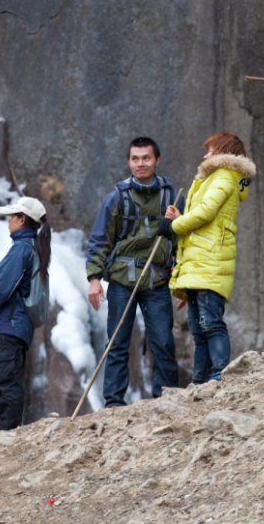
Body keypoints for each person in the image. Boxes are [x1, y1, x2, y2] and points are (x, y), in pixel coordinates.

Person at [86, 136, 181, 407]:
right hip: (121, 279)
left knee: (163, 341)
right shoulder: (117, 198)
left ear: (157, 160)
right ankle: (114, 402)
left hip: (158, 278)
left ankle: (167, 398)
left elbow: (184, 241)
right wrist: (94, 279)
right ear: (129, 161)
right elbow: (100, 239)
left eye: (146, 158)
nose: (140, 164)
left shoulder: (172, 197)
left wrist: (177, 223)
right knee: (117, 342)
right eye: (135, 159)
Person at [162, 132, 256, 383]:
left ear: (222, 152)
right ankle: (201, 378)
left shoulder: (225, 175)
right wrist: (180, 216)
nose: (205, 155)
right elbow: (205, 219)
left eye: (210, 150)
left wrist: (173, 226)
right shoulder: (216, 178)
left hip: (210, 259)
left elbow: (205, 213)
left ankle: (220, 373)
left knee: (211, 323)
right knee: (198, 328)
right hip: (201, 260)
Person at [0, 195, 51, 431]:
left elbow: (2, 288)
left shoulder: (21, 249)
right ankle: (5, 428)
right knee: (8, 379)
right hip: (17, 327)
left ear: (22, 220)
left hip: (7, 325)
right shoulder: (33, 248)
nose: (9, 221)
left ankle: (3, 431)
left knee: (4, 383)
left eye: (12, 216)